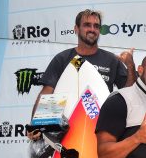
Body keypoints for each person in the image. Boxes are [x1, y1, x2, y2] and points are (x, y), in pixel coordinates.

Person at [28, 9, 136, 138]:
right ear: (76, 29)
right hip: (66, 133)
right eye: (87, 25)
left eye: (96, 26)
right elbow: (48, 92)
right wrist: (37, 126)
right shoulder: (62, 59)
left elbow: (129, 93)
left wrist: (130, 66)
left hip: (101, 131)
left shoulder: (111, 60)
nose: (92, 29)